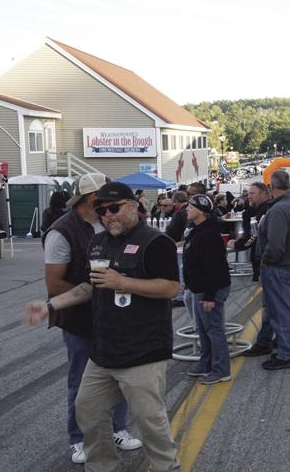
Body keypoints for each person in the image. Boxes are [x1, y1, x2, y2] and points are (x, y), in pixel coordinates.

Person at [24, 181, 181, 471]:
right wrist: (49, 306)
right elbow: (90, 288)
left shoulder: (156, 242)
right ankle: (101, 466)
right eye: (101, 210)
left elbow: (171, 288)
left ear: (133, 206)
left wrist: (123, 282)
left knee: (150, 421)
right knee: (89, 412)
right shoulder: (98, 242)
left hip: (143, 351)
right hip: (103, 350)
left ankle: (166, 466)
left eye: (114, 208)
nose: (108, 215)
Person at [40, 173, 141, 464]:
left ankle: (117, 429)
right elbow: (54, 285)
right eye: (106, 198)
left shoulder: (111, 221)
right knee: (81, 381)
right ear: (92, 199)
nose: (112, 204)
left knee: (120, 374)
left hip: (117, 316)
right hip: (81, 320)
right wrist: (97, 295)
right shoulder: (61, 232)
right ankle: (78, 438)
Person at [258, 170, 290, 371]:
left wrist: (266, 260)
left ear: (272, 187)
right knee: (282, 308)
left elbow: (276, 245)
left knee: (281, 311)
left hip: (280, 266)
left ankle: (287, 353)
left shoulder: (279, 209)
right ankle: (281, 344)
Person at [183, 194, 232, 385]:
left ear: (201, 211)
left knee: (214, 330)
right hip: (199, 288)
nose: (187, 209)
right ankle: (207, 363)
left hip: (209, 290)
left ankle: (221, 370)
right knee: (203, 329)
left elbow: (214, 267)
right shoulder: (198, 231)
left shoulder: (208, 234)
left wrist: (210, 295)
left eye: (191, 206)